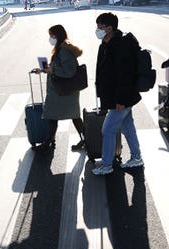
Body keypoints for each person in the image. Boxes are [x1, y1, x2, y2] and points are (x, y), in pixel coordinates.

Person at [91, 12, 143, 176]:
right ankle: (136, 157)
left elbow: (125, 75)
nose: (97, 29)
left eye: (100, 27)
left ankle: (107, 165)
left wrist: (121, 100)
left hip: (121, 97)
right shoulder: (105, 44)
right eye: (97, 26)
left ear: (110, 28)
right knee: (128, 127)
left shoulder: (120, 46)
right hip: (116, 96)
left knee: (108, 130)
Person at [31, 25, 86, 153]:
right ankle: (85, 140)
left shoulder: (64, 50)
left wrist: (52, 69)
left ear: (58, 35)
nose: (50, 38)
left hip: (63, 91)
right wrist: (44, 69)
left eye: (52, 35)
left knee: (54, 116)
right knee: (71, 117)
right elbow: (57, 67)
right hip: (62, 90)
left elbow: (69, 71)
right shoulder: (60, 48)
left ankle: (47, 143)